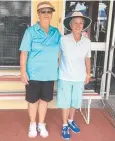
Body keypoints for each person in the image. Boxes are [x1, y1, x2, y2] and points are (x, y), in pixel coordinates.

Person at [19, 1, 60, 138]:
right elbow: (24, 52)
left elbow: (64, 49)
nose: (47, 14)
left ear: (52, 14)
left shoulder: (56, 32)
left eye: (49, 11)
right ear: (38, 14)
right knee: (33, 101)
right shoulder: (30, 31)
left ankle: (41, 124)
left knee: (44, 100)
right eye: (43, 11)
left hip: (49, 74)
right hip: (34, 74)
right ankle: (32, 124)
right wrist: (23, 71)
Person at [57, 11, 92, 140]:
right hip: (65, 76)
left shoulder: (87, 42)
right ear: (70, 25)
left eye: (81, 23)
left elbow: (88, 58)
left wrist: (88, 74)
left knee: (75, 101)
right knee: (65, 102)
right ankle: (65, 125)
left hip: (79, 78)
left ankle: (71, 120)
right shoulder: (63, 40)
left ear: (84, 25)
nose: (78, 25)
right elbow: (57, 56)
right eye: (75, 22)